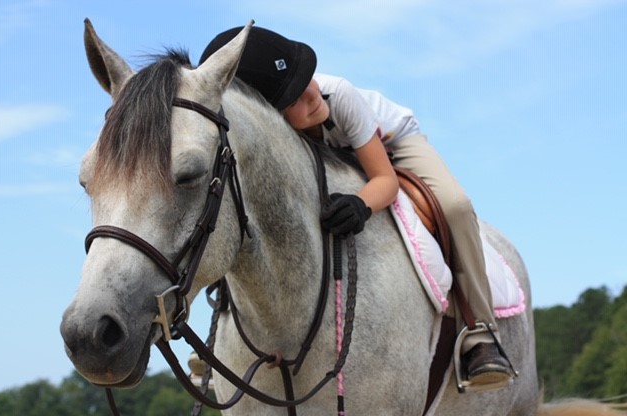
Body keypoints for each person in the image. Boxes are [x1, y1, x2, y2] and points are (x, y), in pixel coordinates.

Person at [200, 26, 514, 389]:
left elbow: (385, 179)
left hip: (394, 144)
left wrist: (362, 204)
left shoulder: (340, 95)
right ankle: (223, 336)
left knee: (456, 206)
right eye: (294, 101)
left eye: (306, 81)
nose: (311, 96)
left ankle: (481, 333)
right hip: (334, 160)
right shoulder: (282, 145)